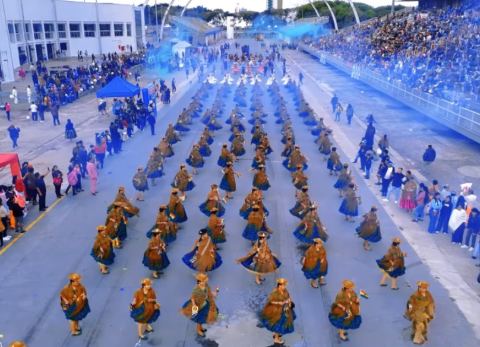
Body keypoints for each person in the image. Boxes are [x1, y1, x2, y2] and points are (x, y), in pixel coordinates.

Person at [259, 278, 296, 345]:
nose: (284, 287)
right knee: (278, 325)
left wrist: (290, 301)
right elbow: (271, 301)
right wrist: (280, 303)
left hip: (285, 309)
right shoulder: (275, 292)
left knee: (281, 324)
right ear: (279, 285)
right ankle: (276, 339)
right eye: (283, 285)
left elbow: (288, 296)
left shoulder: (285, 290)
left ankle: (277, 334)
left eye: (285, 285)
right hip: (276, 311)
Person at [181, 273, 219, 337]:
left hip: (205, 303)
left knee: (203, 317)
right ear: (200, 281)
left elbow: (209, 292)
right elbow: (192, 298)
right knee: (200, 318)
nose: (206, 281)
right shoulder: (197, 289)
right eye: (204, 280)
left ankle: (200, 328)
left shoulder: (206, 286)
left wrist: (214, 293)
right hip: (198, 305)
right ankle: (198, 329)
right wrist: (194, 305)